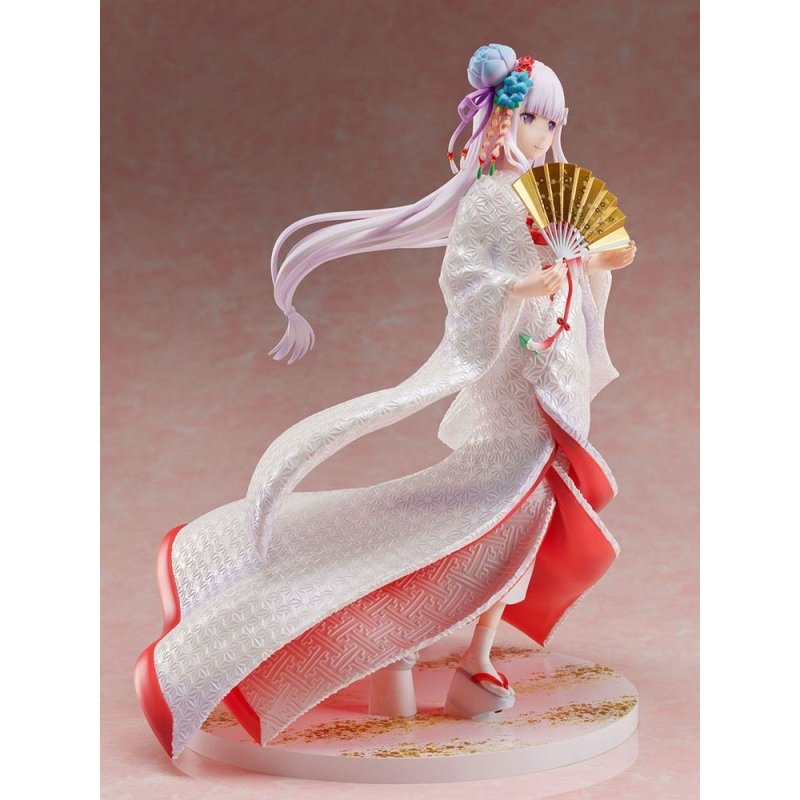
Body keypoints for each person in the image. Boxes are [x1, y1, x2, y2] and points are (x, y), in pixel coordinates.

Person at [135, 43, 637, 760]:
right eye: (532, 118)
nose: (543, 134)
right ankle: (377, 642)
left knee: (519, 524)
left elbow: (582, 265)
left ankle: (473, 662)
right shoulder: (489, 200)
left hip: (553, 376)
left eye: (553, 123)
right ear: (502, 118)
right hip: (513, 384)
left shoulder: (542, 190)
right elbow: (466, 283)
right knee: (478, 518)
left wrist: (597, 262)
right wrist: (520, 288)